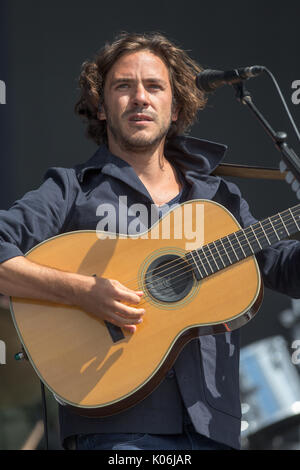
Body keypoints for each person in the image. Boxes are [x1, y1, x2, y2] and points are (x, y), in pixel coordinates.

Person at [1, 32, 300, 451]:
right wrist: (84, 291)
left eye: (154, 87)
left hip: (214, 425)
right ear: (102, 108)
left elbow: (284, 269)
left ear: (175, 107)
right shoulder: (71, 189)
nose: (140, 97)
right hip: (113, 429)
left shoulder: (218, 198)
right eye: (123, 86)